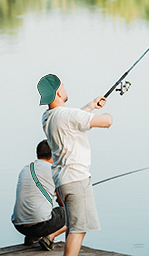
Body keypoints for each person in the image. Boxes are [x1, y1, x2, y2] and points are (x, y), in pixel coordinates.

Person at [37, 74, 113, 256]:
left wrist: (91, 106)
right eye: (62, 86)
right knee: (79, 230)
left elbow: (71, 120)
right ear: (58, 92)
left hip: (62, 180)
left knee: (72, 227)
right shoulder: (69, 115)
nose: (65, 88)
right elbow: (106, 122)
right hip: (77, 180)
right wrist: (107, 114)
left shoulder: (47, 117)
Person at [12, 140, 67, 250]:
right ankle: (49, 237)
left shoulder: (26, 168)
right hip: (40, 226)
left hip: (20, 226)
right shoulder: (54, 170)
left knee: (35, 208)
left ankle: (31, 238)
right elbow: (63, 203)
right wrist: (58, 194)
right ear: (54, 153)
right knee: (72, 211)